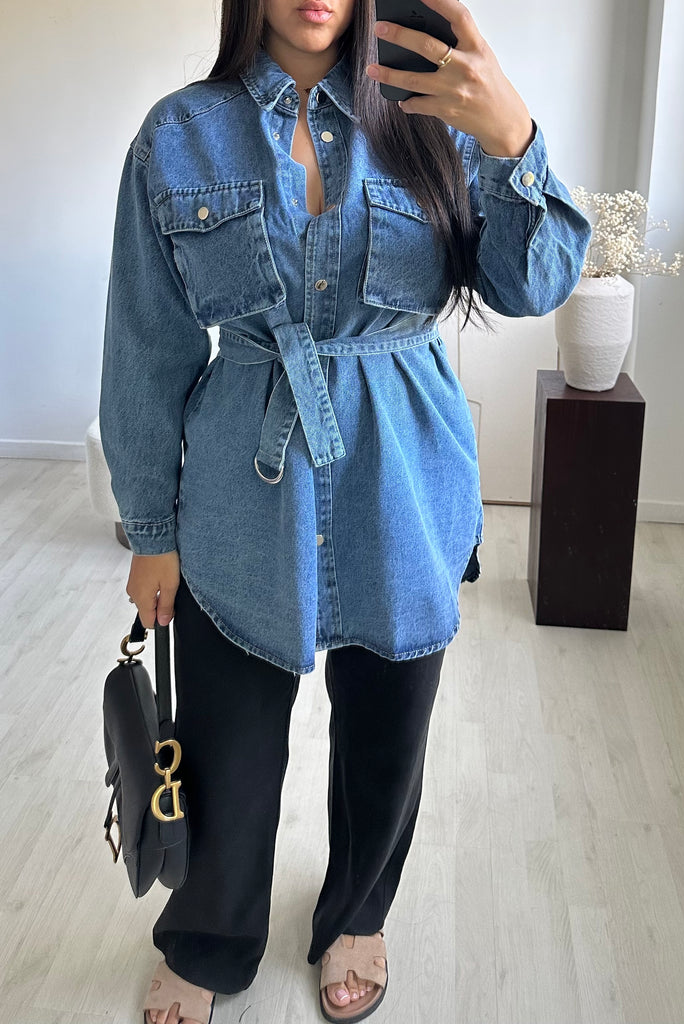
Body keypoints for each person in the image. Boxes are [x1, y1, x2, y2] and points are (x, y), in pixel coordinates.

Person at [99, 0, 592, 1021]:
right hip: (239, 492)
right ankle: (209, 936)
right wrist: (150, 530)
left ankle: (358, 916)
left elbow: (534, 287)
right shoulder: (179, 135)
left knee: (386, 736)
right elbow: (146, 346)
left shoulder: (438, 115)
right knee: (228, 742)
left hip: (404, 478)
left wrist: (513, 137)